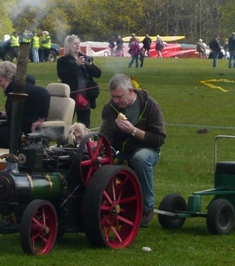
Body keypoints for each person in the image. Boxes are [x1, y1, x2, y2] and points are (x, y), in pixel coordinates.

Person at [100, 74, 166, 228]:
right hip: (119, 152)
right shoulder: (110, 108)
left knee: (140, 158)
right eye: (113, 97)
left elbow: (159, 139)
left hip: (147, 151)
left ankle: (147, 208)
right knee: (99, 159)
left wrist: (133, 131)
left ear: (131, 91)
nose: (115, 101)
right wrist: (101, 150)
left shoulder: (150, 105)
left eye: (119, 96)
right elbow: (106, 135)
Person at [0, 61, 50, 149]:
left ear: (10, 78)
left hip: (25, 133)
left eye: (0, 80)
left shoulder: (22, 88)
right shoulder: (14, 90)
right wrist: (6, 114)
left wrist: (42, 118)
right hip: (16, 129)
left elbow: (44, 94)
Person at [56, 34, 102, 128]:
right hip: (71, 96)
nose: (77, 46)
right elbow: (63, 75)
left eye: (78, 43)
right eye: (74, 44)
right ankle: (66, 141)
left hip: (85, 97)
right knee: (66, 122)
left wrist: (90, 65)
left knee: (84, 124)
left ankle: (84, 141)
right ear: (69, 46)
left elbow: (98, 74)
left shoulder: (84, 57)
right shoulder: (63, 61)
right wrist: (76, 64)